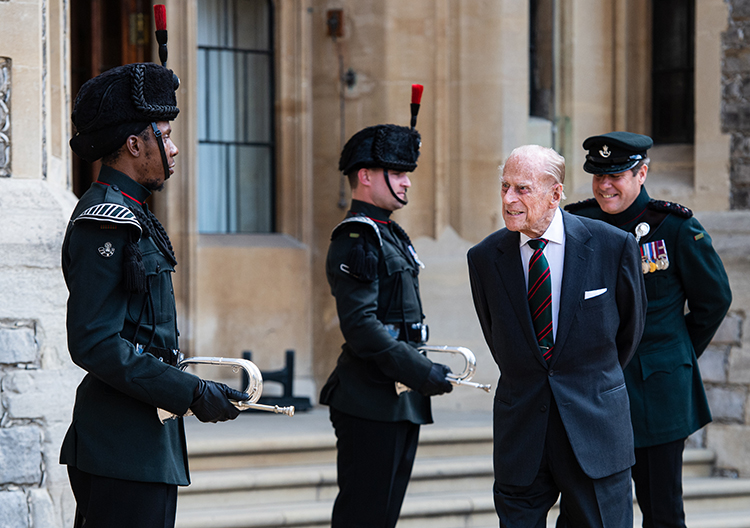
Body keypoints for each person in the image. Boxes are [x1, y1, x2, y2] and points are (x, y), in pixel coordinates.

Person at [61, 62, 249, 528]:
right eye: (164, 136)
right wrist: (190, 391)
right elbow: (95, 342)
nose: (175, 147)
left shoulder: (133, 213)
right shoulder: (106, 218)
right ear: (134, 143)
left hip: (143, 442)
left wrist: (194, 389)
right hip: (119, 445)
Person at [467, 145, 648, 527]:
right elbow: (498, 338)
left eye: (522, 189)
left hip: (594, 428)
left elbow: (629, 334)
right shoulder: (483, 258)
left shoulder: (613, 246)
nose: (509, 199)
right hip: (522, 433)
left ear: (555, 194)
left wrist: (587, 381)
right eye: (504, 187)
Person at [564, 131, 732, 528]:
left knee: (662, 512)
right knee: (588, 512)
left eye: (616, 175)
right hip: (595, 394)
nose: (605, 186)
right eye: (598, 176)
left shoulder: (674, 227)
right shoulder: (579, 223)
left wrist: (675, 354)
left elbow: (715, 300)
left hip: (657, 393)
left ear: (642, 173)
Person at [319, 123, 454, 528]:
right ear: (365, 177)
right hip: (368, 398)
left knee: (384, 518)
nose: (407, 183)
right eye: (396, 174)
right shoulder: (358, 236)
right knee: (364, 518)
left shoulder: (389, 233)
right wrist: (418, 370)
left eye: (406, 173)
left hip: (397, 399)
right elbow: (361, 326)